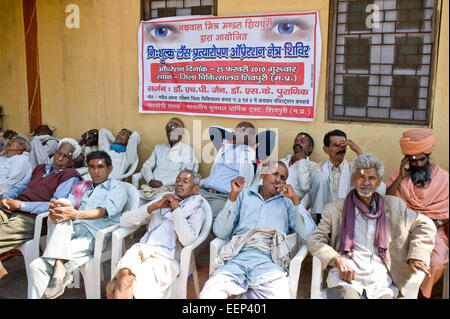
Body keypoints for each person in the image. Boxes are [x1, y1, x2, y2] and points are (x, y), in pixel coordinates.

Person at [307, 154, 436, 299]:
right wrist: (337, 259)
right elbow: (314, 240)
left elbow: (426, 225)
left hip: (381, 280)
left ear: (379, 181)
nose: (366, 183)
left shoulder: (394, 206)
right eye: (362, 177)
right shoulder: (335, 209)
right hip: (347, 278)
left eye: (372, 178)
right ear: (354, 179)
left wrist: (416, 255)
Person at [199, 161, 315, 299]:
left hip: (270, 261)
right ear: (262, 174)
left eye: (283, 178)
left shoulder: (287, 202)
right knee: (209, 294)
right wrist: (232, 197)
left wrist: (295, 200)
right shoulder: (243, 195)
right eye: (275, 174)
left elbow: (308, 235)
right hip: (238, 257)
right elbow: (220, 232)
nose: (278, 180)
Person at [28, 151, 128, 299]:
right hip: (69, 233)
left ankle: (59, 267)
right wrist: (59, 206)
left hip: (92, 236)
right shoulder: (83, 187)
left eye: (100, 167)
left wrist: (73, 214)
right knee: (35, 266)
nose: (96, 171)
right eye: (92, 167)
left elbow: (101, 212)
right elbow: (69, 203)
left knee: (39, 265)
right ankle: (60, 268)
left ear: (110, 169)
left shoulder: (117, 188)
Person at [106, 170, 205, 299]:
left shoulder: (197, 210)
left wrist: (176, 210)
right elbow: (124, 221)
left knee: (115, 287)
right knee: (122, 279)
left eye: (185, 182)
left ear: (195, 189)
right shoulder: (163, 199)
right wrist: (152, 207)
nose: (179, 184)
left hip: (166, 259)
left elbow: (187, 239)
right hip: (143, 250)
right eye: (177, 180)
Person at [0, 138, 82, 278]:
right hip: (12, 209)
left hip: (32, 219)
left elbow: (53, 205)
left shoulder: (70, 176)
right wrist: (5, 198)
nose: (59, 159)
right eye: (58, 153)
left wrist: (21, 205)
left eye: (66, 157)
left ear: (72, 161)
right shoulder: (40, 168)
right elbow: (21, 186)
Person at [386, 129, 449, 298]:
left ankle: (421, 294)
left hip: (435, 231)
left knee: (435, 263)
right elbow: (387, 201)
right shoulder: (402, 177)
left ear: (428, 156)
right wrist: (400, 177)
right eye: (414, 161)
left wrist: (437, 224)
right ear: (407, 161)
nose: (419, 164)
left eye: (422, 159)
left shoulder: (443, 178)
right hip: (405, 230)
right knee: (397, 258)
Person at [200, 121, 275, 218]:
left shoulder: (255, 154)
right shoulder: (225, 146)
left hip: (221, 198)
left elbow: (272, 136)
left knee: (203, 223)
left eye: (243, 130)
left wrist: (251, 140)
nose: (239, 132)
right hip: (203, 192)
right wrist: (233, 136)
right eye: (237, 130)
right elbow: (213, 130)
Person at [309, 129, 385, 223]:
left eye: (343, 145)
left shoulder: (352, 168)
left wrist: (358, 151)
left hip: (349, 215)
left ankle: (371, 219)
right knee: (320, 178)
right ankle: (320, 222)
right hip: (325, 217)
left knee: (380, 185)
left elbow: (368, 171)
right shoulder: (317, 168)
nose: (341, 149)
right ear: (326, 149)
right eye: (336, 145)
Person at [139, 118, 198, 201]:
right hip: (151, 185)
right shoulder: (159, 148)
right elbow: (146, 166)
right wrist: (150, 180)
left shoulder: (187, 150)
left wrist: (163, 183)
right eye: (168, 131)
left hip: (170, 187)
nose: (170, 133)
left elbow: (185, 174)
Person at [280, 132, 316, 208]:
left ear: (310, 148)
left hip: (291, 205)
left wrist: (302, 160)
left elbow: (306, 187)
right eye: (296, 141)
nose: (298, 143)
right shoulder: (282, 161)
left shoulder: (313, 166)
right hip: (271, 200)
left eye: (302, 142)